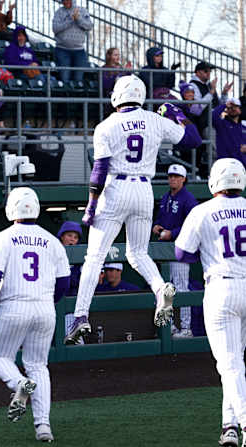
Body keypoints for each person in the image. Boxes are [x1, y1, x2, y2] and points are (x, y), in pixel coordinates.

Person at [64, 76, 202, 345]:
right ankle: (160, 288)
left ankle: (81, 316)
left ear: (117, 96)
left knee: (94, 257)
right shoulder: (155, 119)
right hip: (144, 189)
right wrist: (178, 114)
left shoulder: (106, 125)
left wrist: (91, 205)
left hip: (116, 188)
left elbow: (100, 169)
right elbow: (194, 140)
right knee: (137, 253)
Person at [0, 187, 69, 441]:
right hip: (44, 309)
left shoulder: (2, 238)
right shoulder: (53, 240)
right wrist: (47, 302)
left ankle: (19, 384)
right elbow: (64, 284)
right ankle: (43, 427)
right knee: (38, 365)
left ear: (11, 208)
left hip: (13, 307)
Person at [174, 158, 246, 447]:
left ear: (215, 181)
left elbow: (181, 254)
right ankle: (229, 426)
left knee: (230, 367)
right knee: (235, 364)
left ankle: (243, 422)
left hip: (222, 287)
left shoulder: (202, 210)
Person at [152, 164, 198, 338]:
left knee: (181, 288)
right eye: (171, 176)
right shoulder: (166, 196)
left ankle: (186, 328)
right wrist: (156, 226)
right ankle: (168, 327)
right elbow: (161, 218)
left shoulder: (188, 198)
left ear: (183, 179)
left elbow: (193, 224)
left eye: (176, 176)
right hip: (164, 249)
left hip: (180, 249)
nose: (173, 179)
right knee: (165, 288)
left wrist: (173, 233)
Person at [52, 0, 92, 83]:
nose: (65, 2)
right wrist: (70, 20)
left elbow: (89, 26)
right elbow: (55, 28)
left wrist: (78, 19)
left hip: (79, 51)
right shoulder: (59, 12)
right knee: (65, 78)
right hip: (62, 49)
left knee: (78, 79)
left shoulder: (82, 11)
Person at [188, 61, 233, 135]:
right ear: (198, 73)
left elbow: (219, 105)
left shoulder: (209, 85)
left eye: (210, 71)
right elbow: (196, 109)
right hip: (205, 124)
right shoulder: (192, 85)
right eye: (206, 71)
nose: (208, 73)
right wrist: (211, 92)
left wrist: (224, 93)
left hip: (216, 121)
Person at [211, 97, 245, 167]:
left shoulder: (244, 126)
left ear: (240, 109)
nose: (233, 109)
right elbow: (213, 116)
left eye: (235, 106)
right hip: (226, 166)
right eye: (230, 107)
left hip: (243, 165)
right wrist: (225, 105)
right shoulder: (221, 124)